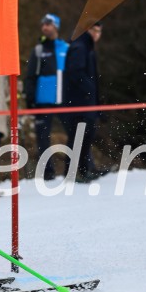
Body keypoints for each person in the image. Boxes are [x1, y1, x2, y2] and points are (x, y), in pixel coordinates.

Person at [24, 14, 68, 180]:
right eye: (43, 24)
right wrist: (30, 100)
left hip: (64, 100)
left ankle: (74, 168)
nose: (44, 27)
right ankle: (48, 172)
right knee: (43, 137)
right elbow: (30, 76)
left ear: (56, 26)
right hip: (43, 101)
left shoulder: (65, 47)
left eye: (48, 24)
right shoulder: (39, 49)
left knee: (75, 132)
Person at [61, 21, 102, 182]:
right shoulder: (80, 47)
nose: (96, 35)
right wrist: (90, 88)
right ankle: (74, 172)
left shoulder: (85, 46)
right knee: (79, 137)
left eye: (99, 31)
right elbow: (76, 72)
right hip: (79, 103)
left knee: (84, 137)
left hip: (83, 102)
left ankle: (83, 170)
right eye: (94, 30)